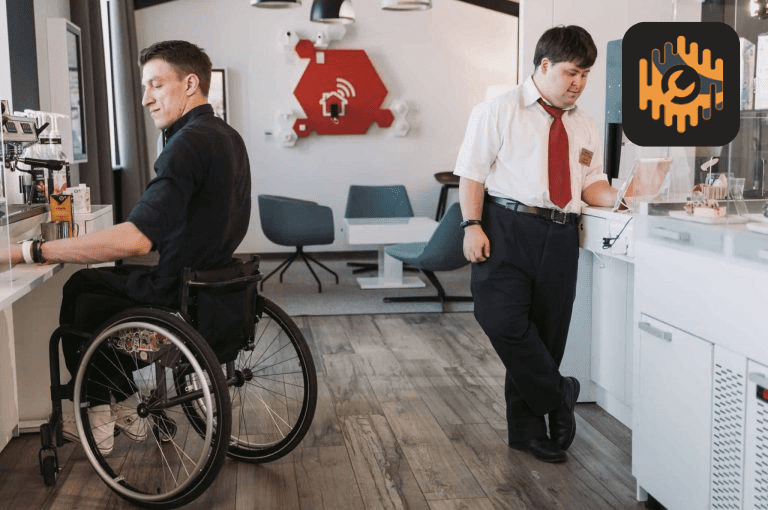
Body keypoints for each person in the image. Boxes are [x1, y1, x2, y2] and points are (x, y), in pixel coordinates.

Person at [10, 40, 251, 454]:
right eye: (145, 87)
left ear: (190, 84)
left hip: (176, 290)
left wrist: (32, 251)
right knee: (106, 285)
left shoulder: (187, 144)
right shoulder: (227, 136)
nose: (145, 99)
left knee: (82, 290)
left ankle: (99, 412)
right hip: (214, 283)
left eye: (155, 84)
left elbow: (136, 240)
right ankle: (121, 402)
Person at [453, 26, 619, 463]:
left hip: (561, 234)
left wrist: (625, 196)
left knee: (545, 337)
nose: (579, 83)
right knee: (500, 319)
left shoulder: (583, 124)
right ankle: (560, 394)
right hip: (506, 227)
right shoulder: (497, 110)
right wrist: (472, 225)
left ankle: (528, 432)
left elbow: (591, 183)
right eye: (571, 73)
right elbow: (471, 173)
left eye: (585, 74)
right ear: (544, 66)